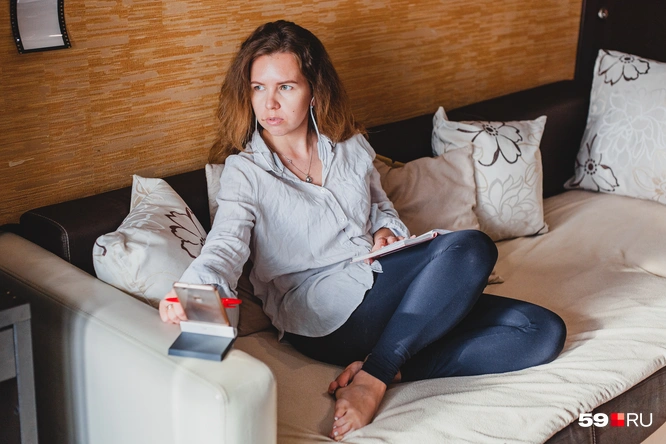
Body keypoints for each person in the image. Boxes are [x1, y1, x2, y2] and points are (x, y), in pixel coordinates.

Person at [159, 20, 567, 441]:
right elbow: (226, 244)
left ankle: (381, 368)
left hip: (381, 282)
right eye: (258, 87)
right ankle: (376, 377)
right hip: (322, 315)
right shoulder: (245, 172)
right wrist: (194, 289)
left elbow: (380, 207)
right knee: (470, 248)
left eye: (286, 87)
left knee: (541, 332)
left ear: (314, 91)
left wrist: (386, 231)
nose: (270, 103)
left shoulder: (350, 147)